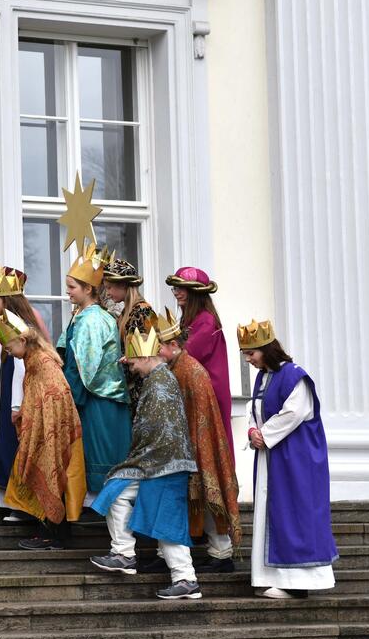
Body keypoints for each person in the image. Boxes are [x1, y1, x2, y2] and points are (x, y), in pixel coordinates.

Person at [90, 326, 202, 600]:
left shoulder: (160, 383)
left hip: (163, 464)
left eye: (134, 362)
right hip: (160, 462)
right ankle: (125, 554)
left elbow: (158, 429)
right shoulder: (158, 379)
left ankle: (185, 579)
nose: (132, 367)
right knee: (118, 491)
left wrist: (139, 459)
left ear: (146, 357)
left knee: (165, 518)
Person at [239, 319, 337, 599]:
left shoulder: (295, 376)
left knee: (295, 513)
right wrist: (252, 431)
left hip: (296, 461)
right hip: (272, 457)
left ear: (267, 349)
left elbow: (295, 412)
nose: (248, 359)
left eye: (251, 353)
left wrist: (264, 434)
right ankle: (272, 577)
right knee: (273, 513)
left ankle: (298, 584)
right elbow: (254, 408)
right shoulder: (263, 377)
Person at [156, 307, 242, 573]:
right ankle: (174, 552)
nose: (157, 352)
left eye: (159, 347)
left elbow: (198, 415)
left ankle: (221, 553)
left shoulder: (191, 372)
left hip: (197, 445)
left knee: (208, 495)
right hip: (184, 445)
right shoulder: (177, 367)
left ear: (173, 345)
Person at [0, 317, 86, 550]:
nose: (8, 351)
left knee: (51, 474)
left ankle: (53, 535)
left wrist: (41, 425)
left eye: (9, 347)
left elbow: (55, 396)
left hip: (52, 430)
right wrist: (26, 413)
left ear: (23, 341)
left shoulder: (42, 362)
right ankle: (51, 533)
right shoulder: (33, 360)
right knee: (46, 474)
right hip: (43, 426)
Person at [57, 245, 132, 501]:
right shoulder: (83, 315)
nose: (67, 292)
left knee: (102, 460)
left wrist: (69, 398)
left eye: (72, 287)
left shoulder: (92, 320)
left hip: (99, 400)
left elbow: (84, 367)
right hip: (94, 398)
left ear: (88, 289)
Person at [0, 266, 49, 518]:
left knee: (13, 448)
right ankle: (8, 500)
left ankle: (21, 505)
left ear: (8, 301)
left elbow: (22, 367)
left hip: (16, 397)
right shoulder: (4, 323)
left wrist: (16, 405)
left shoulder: (20, 327)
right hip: (4, 393)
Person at [167, 266, 233, 456]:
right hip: (199, 390)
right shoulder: (191, 319)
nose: (176, 292)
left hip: (208, 392)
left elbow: (185, 355)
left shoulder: (205, 321)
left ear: (195, 292)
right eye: (175, 288)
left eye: (181, 288)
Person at [103, 258, 155, 415]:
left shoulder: (143, 311)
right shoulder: (126, 311)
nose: (107, 293)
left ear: (124, 285)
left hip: (141, 387)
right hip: (131, 386)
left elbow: (150, 352)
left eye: (110, 287)